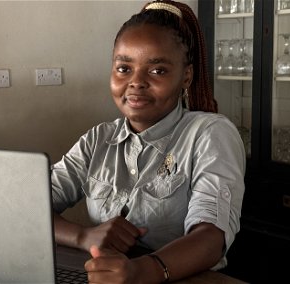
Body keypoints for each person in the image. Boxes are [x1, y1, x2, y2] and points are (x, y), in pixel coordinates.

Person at [51, 0, 245, 283]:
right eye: (123, 68)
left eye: (158, 71)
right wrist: (84, 235)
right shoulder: (99, 139)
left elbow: (210, 239)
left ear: (186, 76)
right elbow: (31, 207)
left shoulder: (209, 133)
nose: (136, 82)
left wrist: (143, 270)